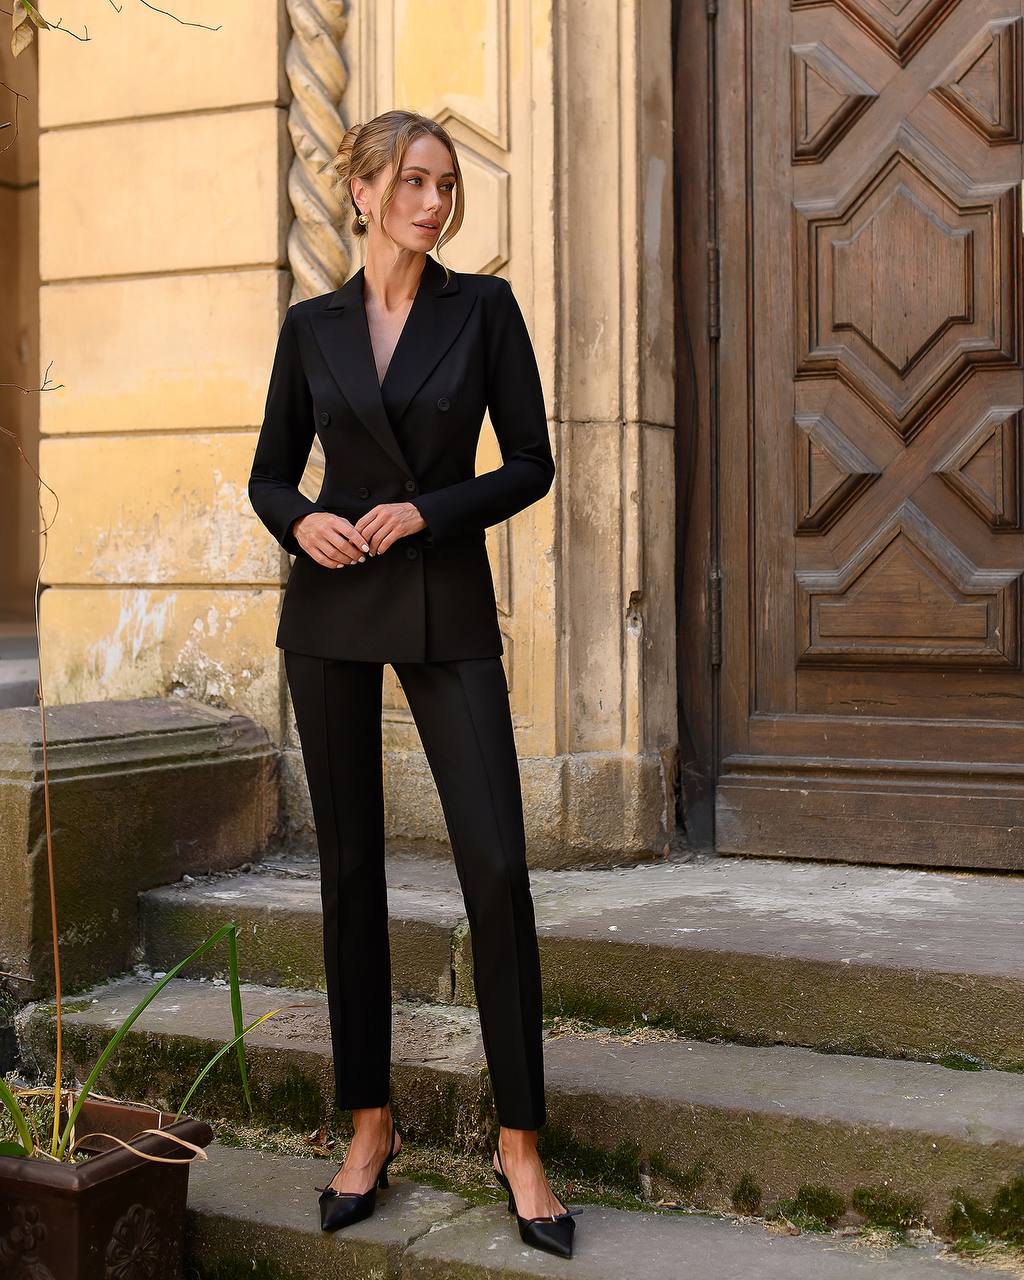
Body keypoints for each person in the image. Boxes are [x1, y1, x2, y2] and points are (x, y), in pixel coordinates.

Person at [247, 109, 575, 1260]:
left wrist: (427, 511)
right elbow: (269, 474)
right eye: (415, 182)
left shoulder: (481, 310)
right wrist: (306, 523)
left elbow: (530, 461)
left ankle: (520, 1140)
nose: (434, 203)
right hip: (330, 608)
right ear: (363, 188)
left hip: (441, 601)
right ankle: (368, 1124)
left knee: (494, 862)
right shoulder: (312, 326)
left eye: (446, 186)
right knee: (347, 874)